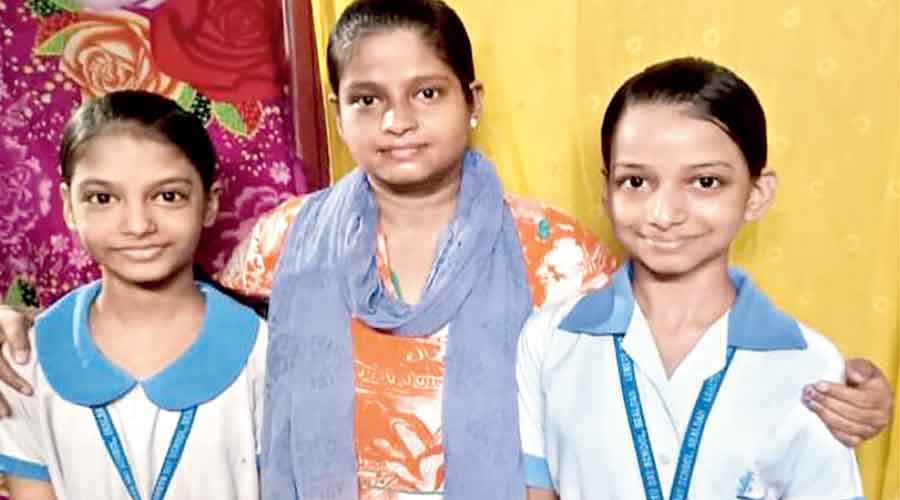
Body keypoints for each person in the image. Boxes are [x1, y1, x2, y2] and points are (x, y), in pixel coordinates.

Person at [0, 0, 892, 498]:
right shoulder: (280, 242)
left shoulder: (553, 249)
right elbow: (164, 307)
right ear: (340, 107)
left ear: (473, 99)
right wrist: (20, 323)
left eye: (427, 92)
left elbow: (677, 322)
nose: (396, 122)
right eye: (366, 99)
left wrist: (838, 386)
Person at [518, 57, 866, 500]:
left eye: (704, 182)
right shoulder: (548, 342)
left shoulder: (811, 365)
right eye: (637, 181)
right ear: (605, 192)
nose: (665, 214)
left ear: (756, 194)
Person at [0, 90, 267, 499]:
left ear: (209, 203)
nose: (138, 224)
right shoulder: (23, 362)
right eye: (103, 198)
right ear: (68, 206)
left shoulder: (266, 354)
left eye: (167, 196)